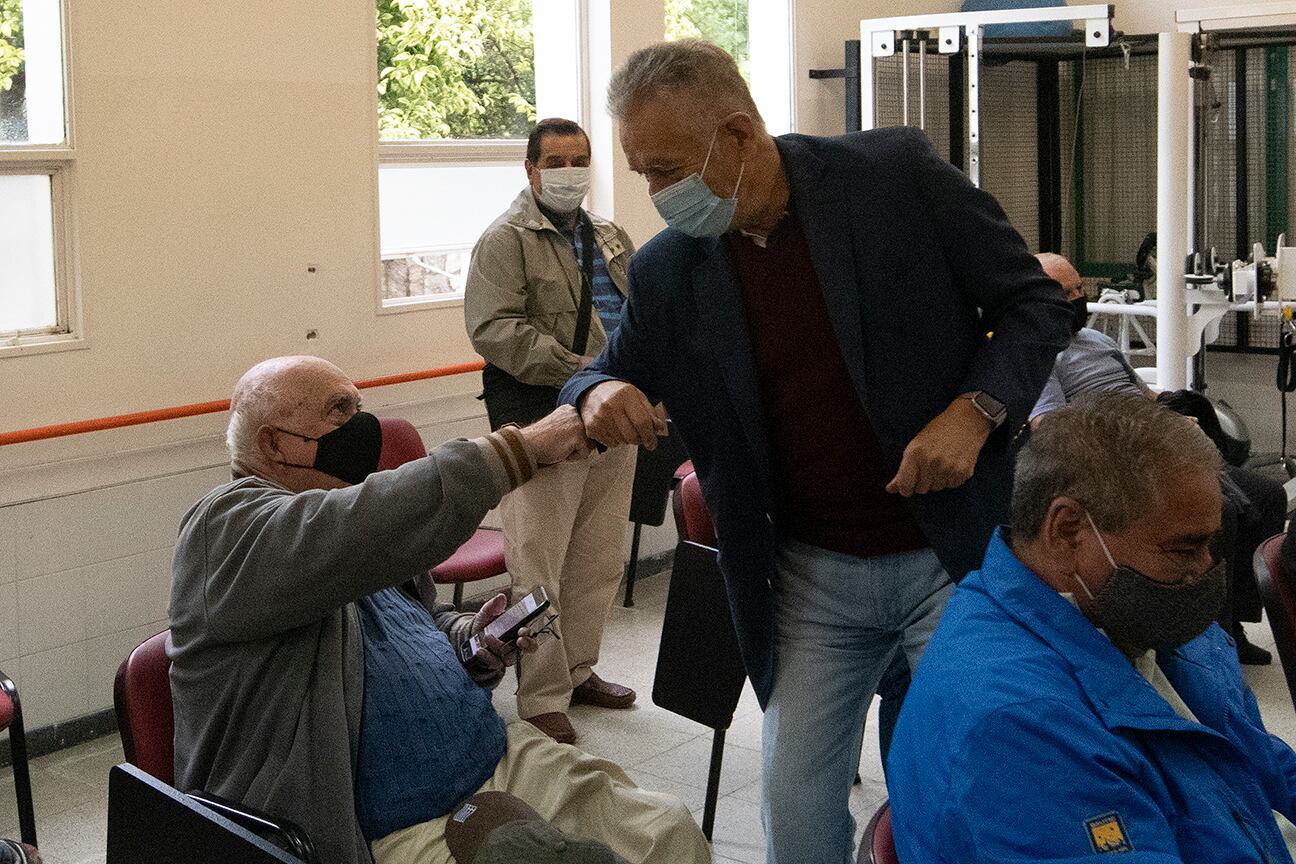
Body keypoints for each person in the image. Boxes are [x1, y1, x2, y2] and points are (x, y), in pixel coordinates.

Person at [560, 39, 1073, 863]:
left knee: (965, 785)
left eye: (664, 169)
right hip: (810, 578)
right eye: (642, 171)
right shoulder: (668, 273)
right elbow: (607, 373)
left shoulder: (891, 179)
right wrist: (595, 393)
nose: (655, 195)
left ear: (738, 135)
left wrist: (975, 412)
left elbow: (1033, 304)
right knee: (795, 810)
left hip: (949, 555)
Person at [168, 356, 709, 864]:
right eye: (340, 411)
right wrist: (522, 449)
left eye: (360, 405)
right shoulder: (225, 528)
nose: (364, 425)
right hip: (393, 821)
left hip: (496, 758)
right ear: (275, 444)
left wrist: (473, 640)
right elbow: (359, 524)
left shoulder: (353, 537)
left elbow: (417, 623)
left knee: (668, 832)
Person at [889, 394, 1296, 863]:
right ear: (1067, 530)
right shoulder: (1020, 727)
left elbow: (1250, 748)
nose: (1203, 571)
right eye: (1184, 550)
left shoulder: (1135, 616)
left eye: (1211, 545)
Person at [464, 118, 640, 745]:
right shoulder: (506, 239)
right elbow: (495, 330)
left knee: (596, 559)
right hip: (543, 421)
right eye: (557, 161)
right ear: (532, 170)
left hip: (612, 418)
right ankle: (540, 695)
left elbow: (639, 310)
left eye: (581, 159)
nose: (571, 172)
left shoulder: (609, 234)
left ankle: (578, 671)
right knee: (537, 565)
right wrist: (586, 376)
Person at [1030, 252, 1285, 664]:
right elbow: (1053, 427)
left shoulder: (1098, 341)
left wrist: (1174, 415)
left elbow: (1142, 394)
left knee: (1269, 498)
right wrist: (1137, 435)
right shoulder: (1039, 354)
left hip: (1159, 444)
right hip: (1121, 461)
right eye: (1066, 293)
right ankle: (1209, 639)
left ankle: (1234, 620)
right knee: (1221, 513)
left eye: (1080, 288)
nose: (1077, 297)